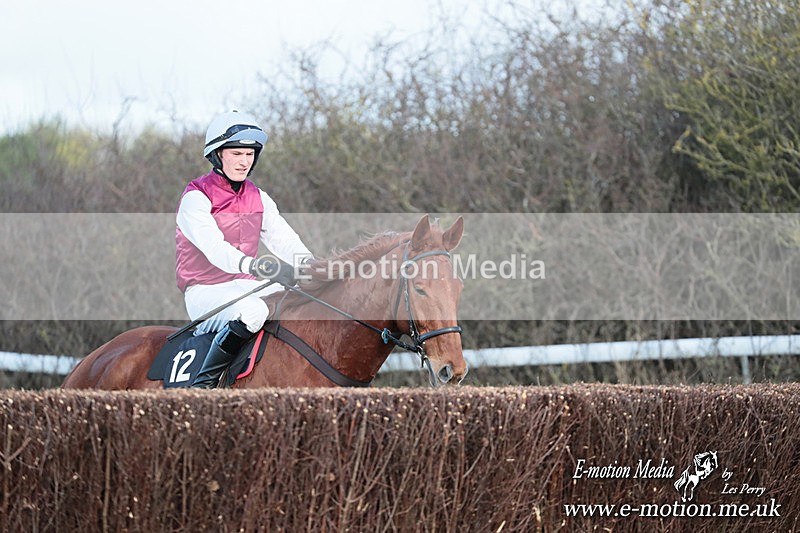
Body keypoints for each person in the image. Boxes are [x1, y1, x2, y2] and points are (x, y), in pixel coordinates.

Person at [176, 110, 313, 388]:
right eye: (236, 154)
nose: (244, 162)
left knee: (299, 302)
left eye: (249, 155)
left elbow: (283, 239)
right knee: (253, 312)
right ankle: (204, 384)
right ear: (217, 154)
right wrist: (254, 265)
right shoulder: (195, 198)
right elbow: (215, 250)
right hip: (204, 291)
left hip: (244, 286)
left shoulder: (259, 197)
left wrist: (313, 265)